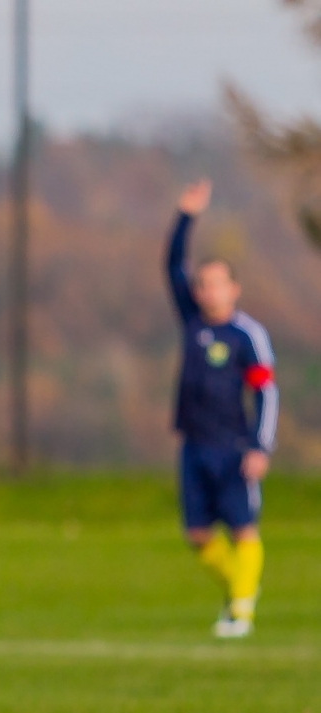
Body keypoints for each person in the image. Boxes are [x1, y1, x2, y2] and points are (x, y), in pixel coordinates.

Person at [167, 180, 277, 639]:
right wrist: (184, 218)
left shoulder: (247, 335)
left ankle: (242, 612)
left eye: (216, 284)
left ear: (233, 289)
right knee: (198, 536)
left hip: (233, 447)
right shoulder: (193, 323)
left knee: (242, 528)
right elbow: (172, 265)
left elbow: (266, 393)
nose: (207, 292)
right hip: (194, 445)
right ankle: (240, 591)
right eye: (202, 285)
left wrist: (259, 445)